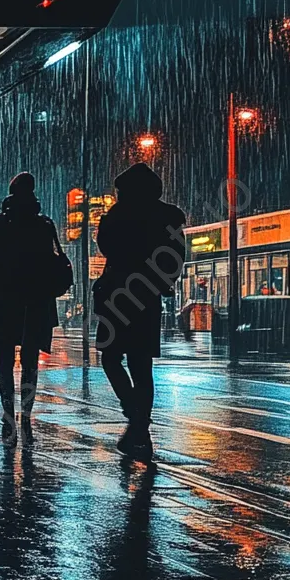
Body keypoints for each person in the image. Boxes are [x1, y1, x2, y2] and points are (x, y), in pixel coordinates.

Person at [94, 162, 186, 461]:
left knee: (110, 357)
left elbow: (106, 246)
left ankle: (134, 417)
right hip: (146, 298)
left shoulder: (117, 217)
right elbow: (174, 260)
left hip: (118, 295)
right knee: (141, 365)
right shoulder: (166, 219)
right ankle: (139, 427)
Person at [0, 171, 62, 446]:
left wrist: (1, 272)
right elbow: (54, 261)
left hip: (7, 298)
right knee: (29, 362)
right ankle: (26, 415)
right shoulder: (44, 224)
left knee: (4, 359)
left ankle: (8, 415)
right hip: (37, 300)